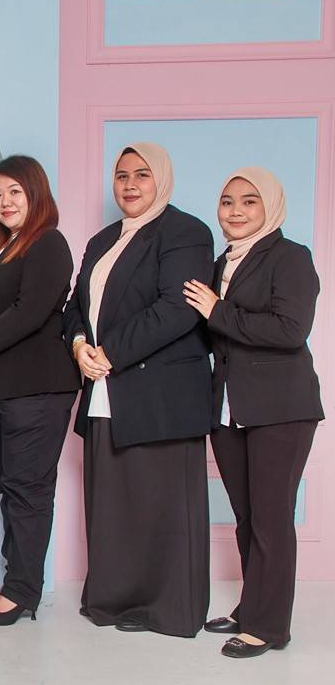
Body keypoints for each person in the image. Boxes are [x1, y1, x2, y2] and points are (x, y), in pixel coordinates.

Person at [63, 142, 213, 637]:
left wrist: (110, 352)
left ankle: (165, 610)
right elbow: (75, 307)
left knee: (161, 505)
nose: (130, 184)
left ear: (161, 179)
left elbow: (178, 308)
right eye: (122, 175)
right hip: (105, 389)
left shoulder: (185, 232)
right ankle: (116, 601)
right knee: (115, 503)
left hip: (160, 393)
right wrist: (80, 345)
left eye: (142, 174)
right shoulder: (103, 239)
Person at [183, 167, 323, 658]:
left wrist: (217, 310)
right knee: (247, 517)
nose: (235, 211)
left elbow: (290, 330)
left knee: (270, 518)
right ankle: (251, 608)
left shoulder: (290, 257)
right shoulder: (219, 264)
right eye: (227, 202)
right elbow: (211, 335)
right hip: (228, 408)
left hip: (280, 409)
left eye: (249, 201)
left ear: (270, 207)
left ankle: (269, 627)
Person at [0, 155, 80, 626]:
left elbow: (30, 312)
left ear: (36, 194)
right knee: (8, 486)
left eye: (15, 192)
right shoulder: (2, 248)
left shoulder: (49, 243)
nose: (4, 202)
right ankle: (15, 581)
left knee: (28, 489)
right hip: (1, 386)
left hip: (38, 386)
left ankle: (22, 591)